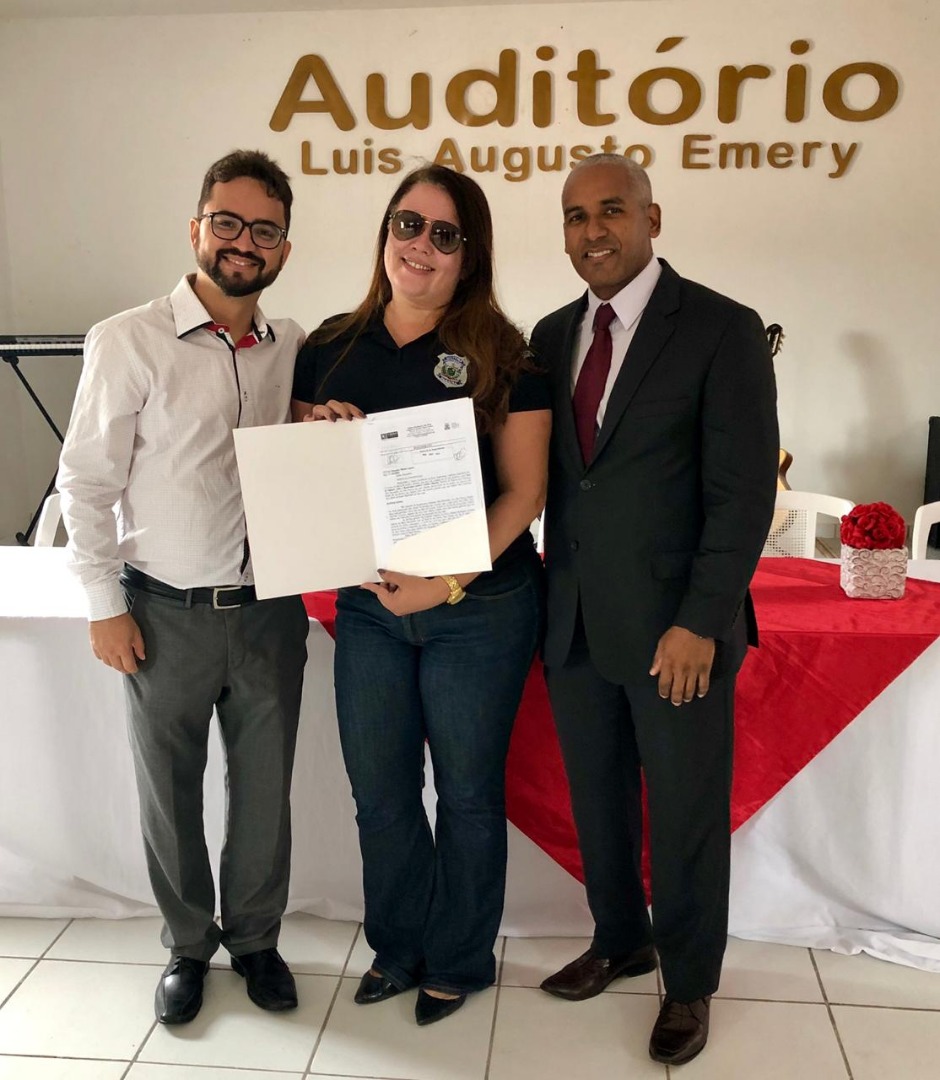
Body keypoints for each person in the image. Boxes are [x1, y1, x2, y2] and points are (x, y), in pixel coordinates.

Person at [531, 155, 778, 1065]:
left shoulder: (721, 328)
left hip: (679, 631)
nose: (592, 231)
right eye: (575, 217)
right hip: (574, 623)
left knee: (683, 814)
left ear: (652, 217)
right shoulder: (550, 335)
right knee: (597, 803)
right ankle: (619, 939)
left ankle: (689, 981)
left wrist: (702, 619)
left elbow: (743, 494)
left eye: (611, 211)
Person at [291, 164, 550, 1026]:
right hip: (370, 611)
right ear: (386, 233)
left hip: (479, 611)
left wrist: (444, 583)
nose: (421, 246)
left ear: (470, 254)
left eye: (445, 234)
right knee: (382, 795)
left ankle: (460, 958)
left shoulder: (506, 353)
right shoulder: (328, 345)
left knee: (468, 796)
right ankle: (397, 949)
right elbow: (307, 484)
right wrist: (315, 434)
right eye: (408, 224)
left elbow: (524, 494)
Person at [57, 149, 310, 1026]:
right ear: (196, 228)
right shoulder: (128, 339)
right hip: (164, 614)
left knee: (264, 793)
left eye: (265, 230)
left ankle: (256, 940)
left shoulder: (294, 348)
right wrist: (105, 606)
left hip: (271, 611)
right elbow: (85, 482)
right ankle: (188, 946)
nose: (245, 242)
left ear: (284, 248)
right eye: (227, 222)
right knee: (169, 793)